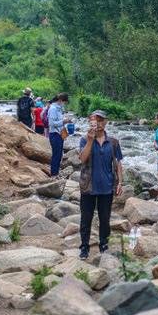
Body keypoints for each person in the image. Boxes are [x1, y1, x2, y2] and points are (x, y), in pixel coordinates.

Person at [78, 110, 124, 260]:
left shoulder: (113, 142)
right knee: (86, 218)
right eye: (94, 120)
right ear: (90, 122)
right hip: (88, 186)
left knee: (105, 218)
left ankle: (103, 244)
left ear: (105, 122)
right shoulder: (85, 140)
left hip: (106, 186)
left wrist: (120, 182)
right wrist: (91, 141)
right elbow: (82, 159)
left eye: (100, 120)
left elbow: (117, 163)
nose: (97, 123)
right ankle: (84, 247)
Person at [47, 93, 69, 177]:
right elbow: (52, 123)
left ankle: (56, 172)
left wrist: (65, 120)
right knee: (56, 155)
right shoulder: (53, 109)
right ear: (60, 100)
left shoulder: (59, 108)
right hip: (54, 134)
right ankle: (53, 174)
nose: (65, 104)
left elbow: (58, 121)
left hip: (59, 134)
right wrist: (64, 121)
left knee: (59, 154)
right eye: (65, 102)